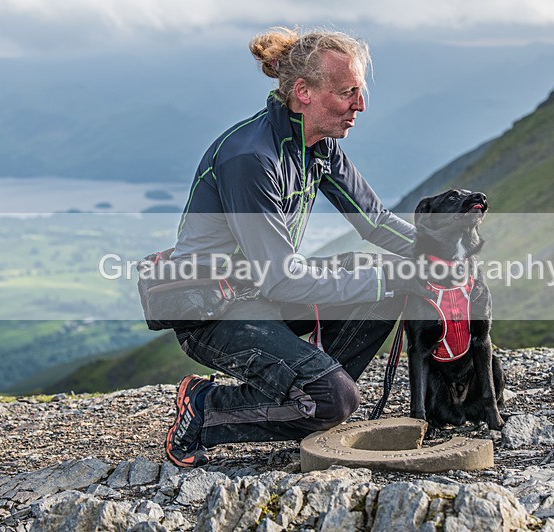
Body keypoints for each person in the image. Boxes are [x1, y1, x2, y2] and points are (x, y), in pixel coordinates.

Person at [165, 26, 429, 467]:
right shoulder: (250, 158)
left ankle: (309, 389)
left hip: (264, 294)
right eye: (348, 92)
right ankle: (207, 407)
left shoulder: (318, 144)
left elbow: (376, 222)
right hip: (213, 312)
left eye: (359, 92)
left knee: (390, 288)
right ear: (303, 92)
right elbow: (284, 278)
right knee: (334, 401)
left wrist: (442, 256)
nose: (360, 105)